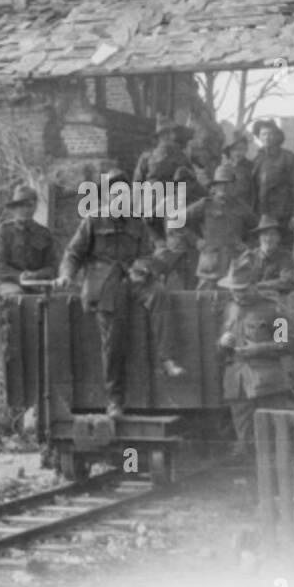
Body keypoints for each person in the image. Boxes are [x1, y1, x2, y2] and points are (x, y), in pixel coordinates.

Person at [56, 170, 185, 417]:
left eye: (123, 193)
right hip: (104, 283)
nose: (119, 198)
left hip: (132, 279)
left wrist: (144, 266)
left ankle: (167, 358)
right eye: (114, 193)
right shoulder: (93, 221)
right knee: (114, 341)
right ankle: (115, 399)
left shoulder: (136, 223)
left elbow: (150, 253)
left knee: (159, 294)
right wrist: (67, 275)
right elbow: (73, 253)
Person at [217, 255, 294, 455]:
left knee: (273, 439)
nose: (238, 295)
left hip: (267, 384)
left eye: (242, 290)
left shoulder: (273, 309)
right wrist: (221, 343)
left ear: (254, 285)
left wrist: (256, 349)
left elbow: (289, 343)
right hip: (237, 384)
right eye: (234, 290)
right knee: (245, 442)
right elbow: (219, 348)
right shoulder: (229, 309)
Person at [186, 165, 256, 290]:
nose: (223, 187)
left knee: (233, 301)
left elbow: (257, 230)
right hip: (210, 267)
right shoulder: (205, 205)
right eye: (220, 184)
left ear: (233, 185)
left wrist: (248, 247)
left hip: (234, 267)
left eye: (227, 183)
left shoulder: (242, 208)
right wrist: (196, 240)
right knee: (205, 301)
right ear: (214, 186)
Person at [0, 184, 57, 298]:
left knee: (59, 299)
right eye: (20, 206)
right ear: (14, 209)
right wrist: (20, 276)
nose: (24, 210)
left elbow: (53, 266)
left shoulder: (44, 234)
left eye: (28, 205)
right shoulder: (4, 231)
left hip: (36, 284)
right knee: (16, 295)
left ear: (35, 207)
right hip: (7, 283)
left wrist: (36, 275)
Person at [249, 119, 294, 251]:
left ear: (276, 136)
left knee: (283, 251)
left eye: (270, 134)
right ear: (258, 137)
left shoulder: (288, 158)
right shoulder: (257, 159)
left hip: (282, 216)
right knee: (261, 252)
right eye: (263, 134)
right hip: (261, 215)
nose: (267, 138)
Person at [239, 215, 294, 295]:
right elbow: (238, 281)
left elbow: (287, 282)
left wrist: (257, 286)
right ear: (259, 238)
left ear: (278, 238)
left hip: (277, 303)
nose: (268, 239)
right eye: (265, 234)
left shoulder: (285, 257)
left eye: (272, 234)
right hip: (251, 302)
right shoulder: (249, 257)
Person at [222, 132, 255, 212]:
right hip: (228, 209)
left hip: (247, 209)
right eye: (234, 150)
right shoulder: (223, 169)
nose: (238, 153)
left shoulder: (252, 167)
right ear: (229, 151)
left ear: (246, 149)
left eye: (241, 149)